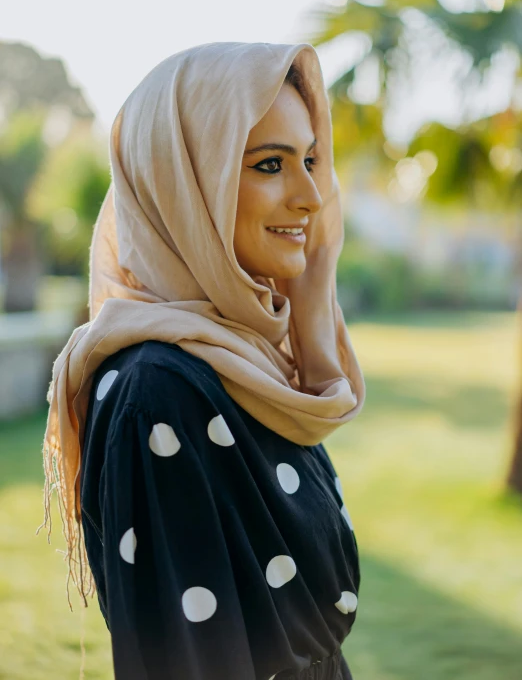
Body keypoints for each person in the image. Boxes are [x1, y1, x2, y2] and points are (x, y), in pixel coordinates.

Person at [39, 41, 366, 680]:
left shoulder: (246, 364)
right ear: (184, 187)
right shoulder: (156, 391)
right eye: (270, 164)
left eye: (310, 160)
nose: (311, 196)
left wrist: (314, 294)